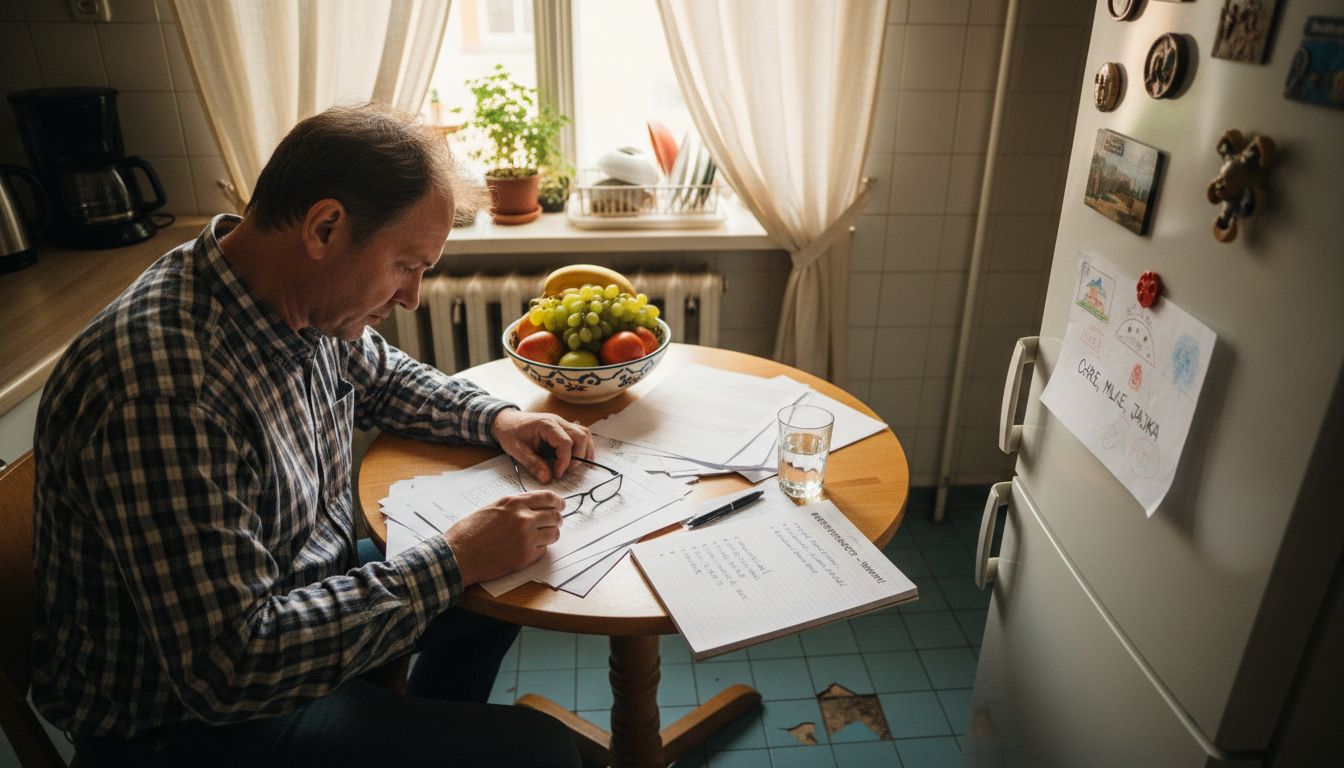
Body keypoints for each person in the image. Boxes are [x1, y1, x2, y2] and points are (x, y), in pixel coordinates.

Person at [30, 103, 586, 767]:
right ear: (324, 228)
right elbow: (228, 666)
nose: (411, 296)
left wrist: (501, 419)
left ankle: (423, 723)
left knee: (510, 584)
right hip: (188, 726)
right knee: (543, 754)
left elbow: (382, 378)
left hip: (293, 595)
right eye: (406, 264)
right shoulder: (166, 389)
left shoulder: (282, 295)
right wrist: (454, 558)